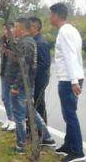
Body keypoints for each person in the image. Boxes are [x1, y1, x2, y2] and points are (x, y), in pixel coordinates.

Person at [7, 18, 56, 154]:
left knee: (19, 116)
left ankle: (21, 146)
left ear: (22, 29)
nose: (12, 30)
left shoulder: (27, 43)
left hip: (23, 85)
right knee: (31, 112)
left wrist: (16, 86)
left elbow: (25, 67)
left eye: (15, 27)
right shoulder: (24, 42)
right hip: (24, 84)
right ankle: (48, 137)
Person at [49, 3, 86, 162]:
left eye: (51, 14)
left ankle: (78, 151)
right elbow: (76, 56)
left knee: (70, 115)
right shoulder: (72, 30)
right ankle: (69, 145)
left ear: (56, 15)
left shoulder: (64, 32)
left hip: (69, 79)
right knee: (68, 114)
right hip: (75, 77)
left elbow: (70, 57)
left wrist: (73, 81)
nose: (49, 17)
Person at [29, 17, 51, 126]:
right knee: (33, 104)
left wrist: (31, 71)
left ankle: (42, 131)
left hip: (40, 79)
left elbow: (44, 64)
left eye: (29, 26)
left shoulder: (41, 43)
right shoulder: (33, 41)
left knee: (39, 104)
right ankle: (34, 128)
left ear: (35, 27)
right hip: (34, 78)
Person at [0, 23, 15, 131]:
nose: (5, 31)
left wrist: (7, 51)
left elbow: (16, 57)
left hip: (13, 74)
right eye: (4, 29)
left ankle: (14, 120)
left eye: (8, 29)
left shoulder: (16, 42)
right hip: (4, 72)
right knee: (4, 97)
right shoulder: (3, 40)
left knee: (12, 98)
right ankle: (9, 118)